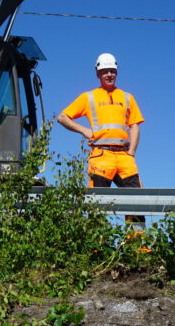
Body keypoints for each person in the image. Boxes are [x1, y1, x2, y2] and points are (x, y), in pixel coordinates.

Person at [57, 53, 146, 229]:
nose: (109, 75)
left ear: (117, 72)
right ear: (98, 74)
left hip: (124, 156)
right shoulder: (89, 97)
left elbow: (135, 126)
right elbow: (62, 117)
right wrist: (84, 130)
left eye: (112, 71)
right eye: (105, 71)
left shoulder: (127, 97)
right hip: (101, 155)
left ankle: (138, 249)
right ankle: (98, 249)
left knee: (137, 201)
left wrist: (132, 153)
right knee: (96, 203)